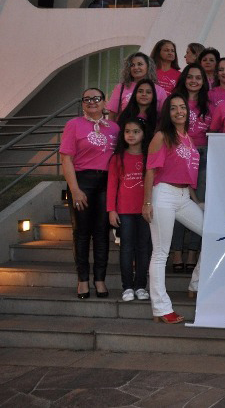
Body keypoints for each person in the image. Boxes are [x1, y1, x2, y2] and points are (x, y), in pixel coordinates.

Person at [144, 94, 204, 324]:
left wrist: (196, 201)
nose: (179, 111)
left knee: (213, 234)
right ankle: (161, 307)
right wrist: (146, 202)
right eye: (173, 108)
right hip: (163, 195)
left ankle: (196, 283)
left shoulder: (188, 138)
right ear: (167, 113)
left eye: (182, 107)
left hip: (183, 196)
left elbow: (186, 176)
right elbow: (150, 170)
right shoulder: (162, 136)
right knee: (161, 253)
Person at [59, 88, 120, 299]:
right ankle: (83, 279)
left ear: (104, 102)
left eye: (96, 98)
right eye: (87, 99)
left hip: (106, 183)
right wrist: (75, 189)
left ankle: (100, 279)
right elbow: (66, 159)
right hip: (82, 182)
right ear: (82, 103)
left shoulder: (114, 128)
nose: (92, 102)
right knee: (82, 232)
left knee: (102, 232)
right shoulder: (73, 125)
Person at [170, 64, 213, 273]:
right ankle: (177, 251)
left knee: (199, 205)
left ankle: (192, 252)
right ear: (184, 79)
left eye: (198, 77)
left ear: (204, 81)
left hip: (203, 155)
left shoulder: (209, 104)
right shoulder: (175, 101)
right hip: (179, 152)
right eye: (190, 77)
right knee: (180, 202)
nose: (194, 81)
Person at [107, 117, 152, 302]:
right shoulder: (117, 158)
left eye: (136, 131)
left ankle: (140, 286)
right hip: (124, 211)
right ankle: (127, 287)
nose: (131, 135)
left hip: (145, 211)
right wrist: (111, 210)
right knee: (126, 248)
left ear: (143, 134)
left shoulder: (149, 157)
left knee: (143, 248)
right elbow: (112, 186)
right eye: (127, 131)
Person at [107, 52, 167, 121]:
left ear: (148, 66)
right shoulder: (120, 88)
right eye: (132, 65)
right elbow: (112, 117)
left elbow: (164, 117)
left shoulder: (160, 90)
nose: (135, 67)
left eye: (140, 64)